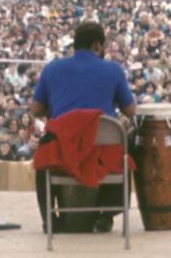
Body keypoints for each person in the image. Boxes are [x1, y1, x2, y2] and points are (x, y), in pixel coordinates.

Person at [29, 21, 136, 230]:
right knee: (126, 151)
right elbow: (131, 111)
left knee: (42, 159)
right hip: (101, 155)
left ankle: (49, 220)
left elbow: (36, 110)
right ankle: (106, 215)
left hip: (62, 154)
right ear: (97, 45)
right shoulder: (113, 70)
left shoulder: (52, 69)